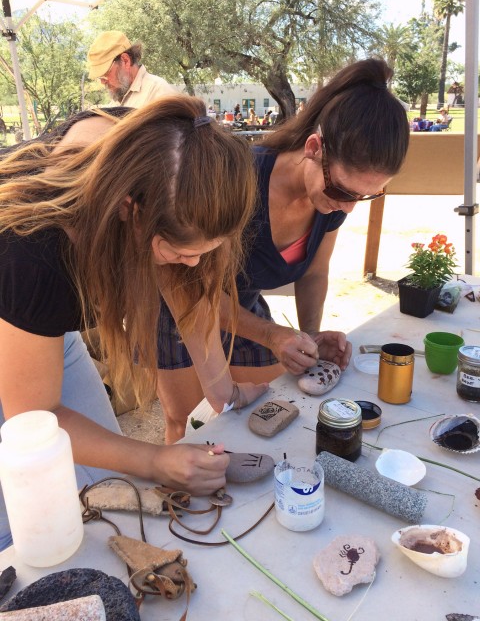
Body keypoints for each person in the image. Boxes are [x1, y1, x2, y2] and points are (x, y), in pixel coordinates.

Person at [0, 95, 269, 549]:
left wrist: (222, 397)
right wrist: (154, 461)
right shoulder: (37, 252)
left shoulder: (165, 153)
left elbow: (189, 292)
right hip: (17, 308)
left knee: (103, 489)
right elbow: (36, 416)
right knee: (24, 528)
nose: (191, 263)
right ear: (128, 210)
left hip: (38, 324)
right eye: (180, 251)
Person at [155, 58, 411, 443]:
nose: (349, 207)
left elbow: (314, 273)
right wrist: (274, 335)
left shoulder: (331, 205)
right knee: (188, 426)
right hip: (183, 309)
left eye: (367, 195)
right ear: (314, 148)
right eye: (343, 191)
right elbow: (193, 289)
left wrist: (308, 339)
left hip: (249, 315)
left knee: (264, 420)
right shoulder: (242, 181)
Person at [87, 30, 176, 107]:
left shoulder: (158, 92)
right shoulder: (117, 98)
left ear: (125, 61)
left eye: (105, 73)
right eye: (100, 77)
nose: (102, 82)